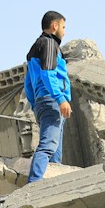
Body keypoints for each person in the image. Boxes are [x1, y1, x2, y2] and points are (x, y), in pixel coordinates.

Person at [23, 11, 72, 185]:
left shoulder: (34, 48)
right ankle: (34, 185)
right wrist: (60, 99)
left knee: (55, 154)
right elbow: (48, 74)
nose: (65, 32)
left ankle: (52, 186)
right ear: (55, 26)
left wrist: (35, 104)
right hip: (52, 101)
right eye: (64, 27)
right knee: (47, 147)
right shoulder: (50, 44)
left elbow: (28, 83)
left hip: (42, 102)